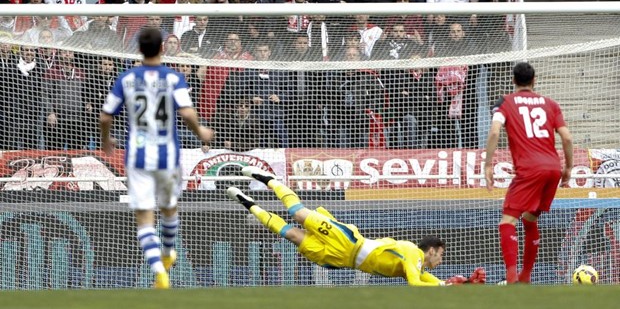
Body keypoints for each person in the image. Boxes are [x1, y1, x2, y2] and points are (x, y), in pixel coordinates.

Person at [228, 166, 487, 286]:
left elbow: (424, 278)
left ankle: (249, 204)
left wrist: (448, 285)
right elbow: (416, 283)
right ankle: (270, 180)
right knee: (297, 213)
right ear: (431, 250)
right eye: (441, 254)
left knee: (291, 235)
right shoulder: (411, 252)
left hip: (342, 259)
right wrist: (445, 288)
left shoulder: (418, 264)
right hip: (349, 241)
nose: (441, 260)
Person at [99, 27, 214, 289]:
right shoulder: (173, 78)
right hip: (168, 156)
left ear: (138, 49)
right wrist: (201, 131)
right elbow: (186, 112)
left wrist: (106, 141)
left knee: (144, 217)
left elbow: (105, 116)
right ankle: (168, 251)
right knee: (169, 208)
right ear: (162, 48)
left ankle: (159, 272)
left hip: (137, 157)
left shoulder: (126, 79)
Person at [484, 62, 574, 284]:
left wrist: (488, 165)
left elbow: (495, 131)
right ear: (535, 80)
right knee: (530, 219)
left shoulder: (504, 102)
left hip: (529, 169)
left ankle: (512, 276)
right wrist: (568, 167)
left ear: (513, 80)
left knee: (507, 221)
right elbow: (567, 138)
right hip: (552, 168)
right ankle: (525, 277)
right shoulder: (550, 104)